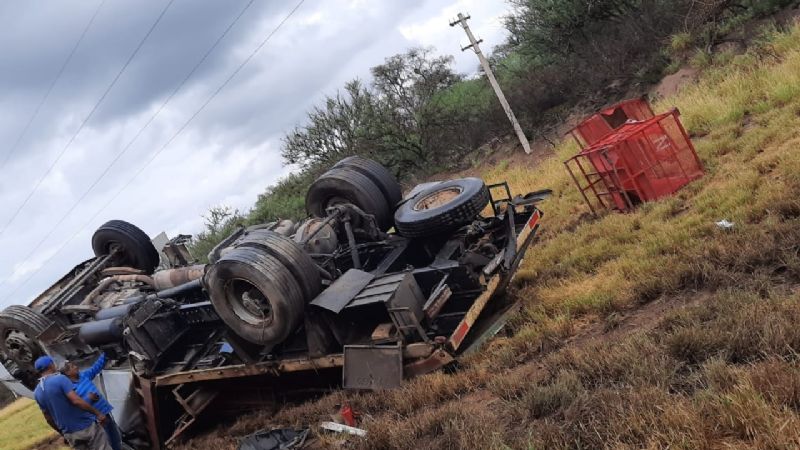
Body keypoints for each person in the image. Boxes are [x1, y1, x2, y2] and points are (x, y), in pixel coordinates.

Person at [33, 355, 111, 450]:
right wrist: (97, 413)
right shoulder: (60, 379)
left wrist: (63, 433)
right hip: (86, 426)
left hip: (70, 434)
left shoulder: (37, 392)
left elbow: (48, 418)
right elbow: (76, 401)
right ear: (50, 365)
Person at [62, 353, 122, 450]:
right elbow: (76, 405)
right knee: (106, 442)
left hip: (105, 412)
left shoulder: (83, 376)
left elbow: (95, 368)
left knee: (116, 438)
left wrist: (105, 354)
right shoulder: (69, 388)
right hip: (96, 420)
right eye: (73, 366)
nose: (76, 367)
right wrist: (87, 399)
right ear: (68, 373)